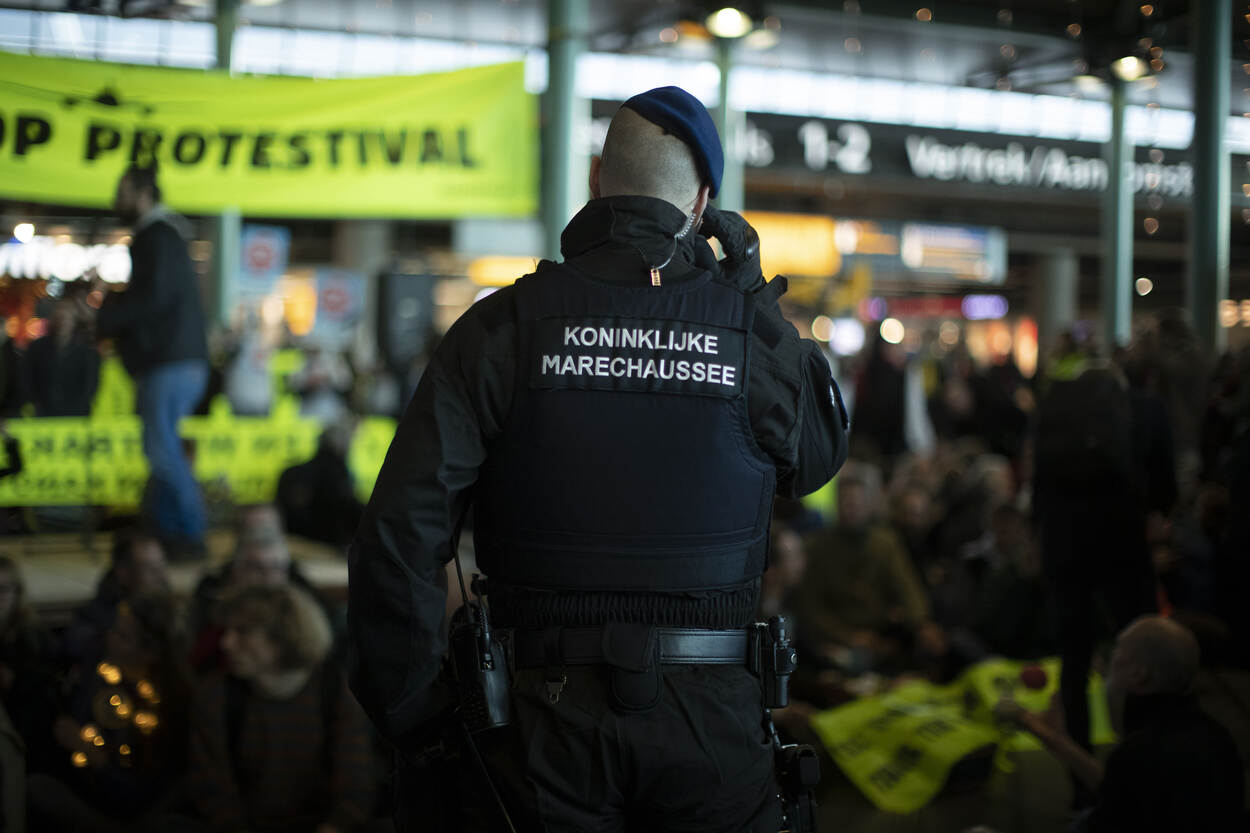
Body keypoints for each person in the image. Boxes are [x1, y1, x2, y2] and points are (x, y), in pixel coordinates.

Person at [349, 86, 849, 832]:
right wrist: (752, 298)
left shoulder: (500, 330)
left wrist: (418, 713)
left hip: (537, 728)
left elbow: (398, 535)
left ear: (594, 179)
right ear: (702, 204)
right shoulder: (749, 337)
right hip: (712, 725)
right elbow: (816, 459)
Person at [991, 616, 1244, 833]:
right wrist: (1056, 741)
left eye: (1114, 659)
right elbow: (1125, 791)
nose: (1103, 672)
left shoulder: (1140, 752)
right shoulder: (1216, 737)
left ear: (1138, 675)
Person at [88, 162, 210, 559]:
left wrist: (108, 315)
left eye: (123, 192)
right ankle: (169, 532)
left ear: (143, 193)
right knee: (163, 449)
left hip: (168, 363)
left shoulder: (156, 236)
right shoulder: (166, 235)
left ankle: (189, 534)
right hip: (177, 360)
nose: (116, 201)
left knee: (162, 451)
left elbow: (153, 299)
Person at [187, 584, 376, 833]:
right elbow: (212, 788)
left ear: (283, 637)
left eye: (242, 631)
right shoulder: (216, 694)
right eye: (227, 631)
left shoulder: (334, 690)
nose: (226, 643)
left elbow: (356, 778)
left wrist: (335, 826)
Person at [62, 529, 171, 669]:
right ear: (123, 572)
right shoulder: (92, 620)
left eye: (161, 567)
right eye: (150, 569)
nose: (161, 577)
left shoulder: (168, 615)